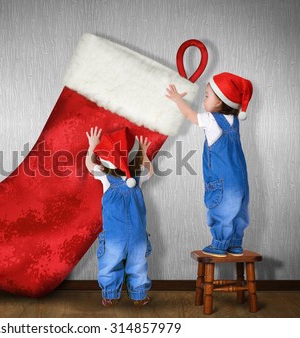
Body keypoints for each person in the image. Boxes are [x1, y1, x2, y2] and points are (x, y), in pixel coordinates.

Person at [165, 72, 253, 257]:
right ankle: (235, 244)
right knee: (238, 212)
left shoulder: (211, 119)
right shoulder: (234, 121)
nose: (204, 100)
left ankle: (220, 245)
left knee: (221, 210)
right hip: (240, 180)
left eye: (207, 96)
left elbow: (190, 114)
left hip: (222, 182)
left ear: (220, 101)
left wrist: (176, 99)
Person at [85, 126, 153, 306]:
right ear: (134, 158)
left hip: (115, 235)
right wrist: (144, 154)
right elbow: (150, 170)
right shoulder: (138, 177)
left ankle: (110, 295)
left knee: (110, 264)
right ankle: (138, 296)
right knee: (137, 266)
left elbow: (89, 165)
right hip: (135, 235)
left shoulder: (106, 178)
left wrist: (92, 146)